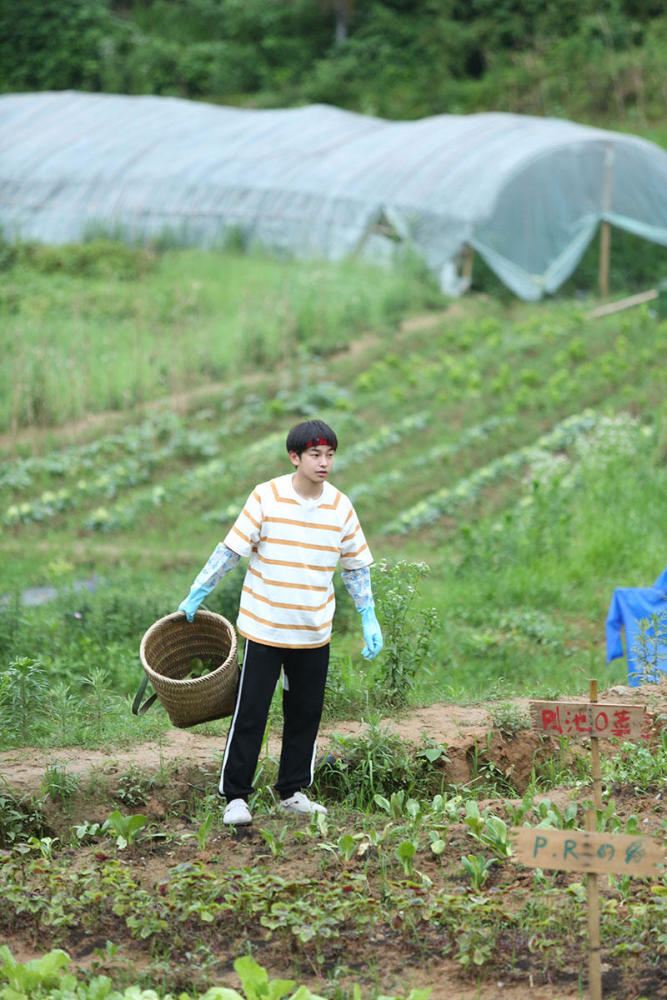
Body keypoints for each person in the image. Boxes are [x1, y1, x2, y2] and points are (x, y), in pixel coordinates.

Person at [178, 418, 383, 826]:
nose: (324, 463)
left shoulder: (340, 506)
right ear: (295, 457)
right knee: (251, 711)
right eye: (315, 455)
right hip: (265, 627)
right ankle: (236, 796)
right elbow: (231, 550)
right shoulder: (266, 496)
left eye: (330, 455)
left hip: (312, 630)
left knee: (305, 712)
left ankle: (292, 791)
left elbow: (356, 567)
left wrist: (368, 615)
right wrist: (199, 590)